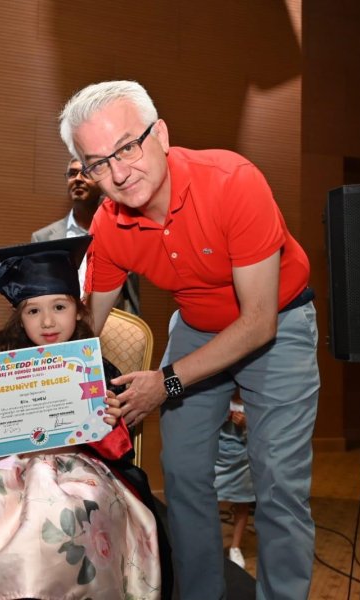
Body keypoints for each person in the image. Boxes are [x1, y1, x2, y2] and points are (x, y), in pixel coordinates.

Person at [59, 80, 320, 600]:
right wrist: (19, 388)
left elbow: (258, 321)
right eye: (97, 163)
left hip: (277, 326)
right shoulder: (110, 225)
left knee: (278, 484)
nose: (117, 173)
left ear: (160, 134)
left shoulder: (232, 182)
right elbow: (87, 328)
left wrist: (166, 383)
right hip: (198, 325)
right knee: (181, 474)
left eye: (126, 147)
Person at [0, 236, 164, 600]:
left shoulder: (93, 367)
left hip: (79, 469)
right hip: (9, 468)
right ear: (20, 318)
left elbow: (116, 447)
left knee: (71, 512)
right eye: (33, 311)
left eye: (59, 307)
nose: (47, 321)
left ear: (79, 310)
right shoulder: (1, 370)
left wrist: (111, 419)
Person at [32, 157, 140, 314]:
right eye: (72, 173)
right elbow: (37, 294)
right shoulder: (42, 238)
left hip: (108, 328)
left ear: (101, 182)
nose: (77, 179)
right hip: (59, 328)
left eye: (85, 173)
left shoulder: (121, 232)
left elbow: (130, 295)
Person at [214, 398, 254, 571]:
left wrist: (247, 423)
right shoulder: (218, 393)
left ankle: (235, 547)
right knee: (211, 501)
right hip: (217, 455)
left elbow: (266, 427)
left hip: (243, 457)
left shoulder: (254, 397)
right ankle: (213, 545)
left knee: (242, 502)